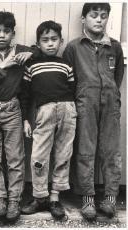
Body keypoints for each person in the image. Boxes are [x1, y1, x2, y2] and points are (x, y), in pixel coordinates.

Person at [62, 3, 124, 220]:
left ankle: (110, 198)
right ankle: (87, 198)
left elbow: (118, 78)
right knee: (85, 150)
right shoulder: (73, 47)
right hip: (84, 104)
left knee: (111, 150)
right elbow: (68, 80)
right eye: (94, 15)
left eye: (104, 16)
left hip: (110, 104)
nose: (99, 20)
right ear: (83, 19)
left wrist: (111, 96)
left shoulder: (114, 47)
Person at [0, 11, 35, 221]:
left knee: (15, 157)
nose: (2, 35)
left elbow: (39, 51)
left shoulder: (21, 51)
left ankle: (14, 200)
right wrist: (5, 65)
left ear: (13, 33)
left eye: (6, 31)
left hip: (13, 109)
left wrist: (31, 53)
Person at [20, 20, 76, 220]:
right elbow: (25, 95)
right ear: (38, 43)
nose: (50, 44)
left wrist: (71, 111)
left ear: (61, 42)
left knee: (63, 154)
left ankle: (55, 197)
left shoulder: (66, 65)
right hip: (44, 111)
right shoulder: (32, 65)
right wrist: (26, 120)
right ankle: (39, 196)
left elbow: (73, 89)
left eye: (54, 40)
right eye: (45, 40)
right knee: (39, 156)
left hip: (68, 110)